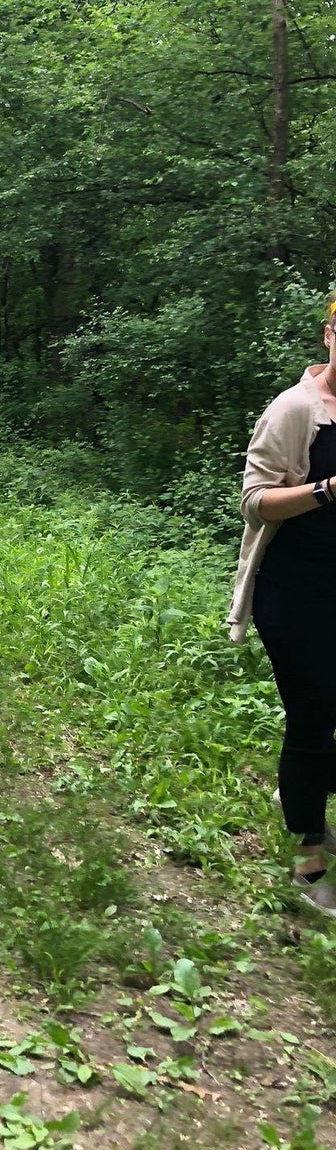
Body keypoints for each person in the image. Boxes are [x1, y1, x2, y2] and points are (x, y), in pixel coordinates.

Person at [229, 294, 336, 915]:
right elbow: (254, 501)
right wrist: (327, 490)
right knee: (314, 715)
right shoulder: (295, 409)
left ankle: (304, 793)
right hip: (295, 592)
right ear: (329, 335)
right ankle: (308, 856)